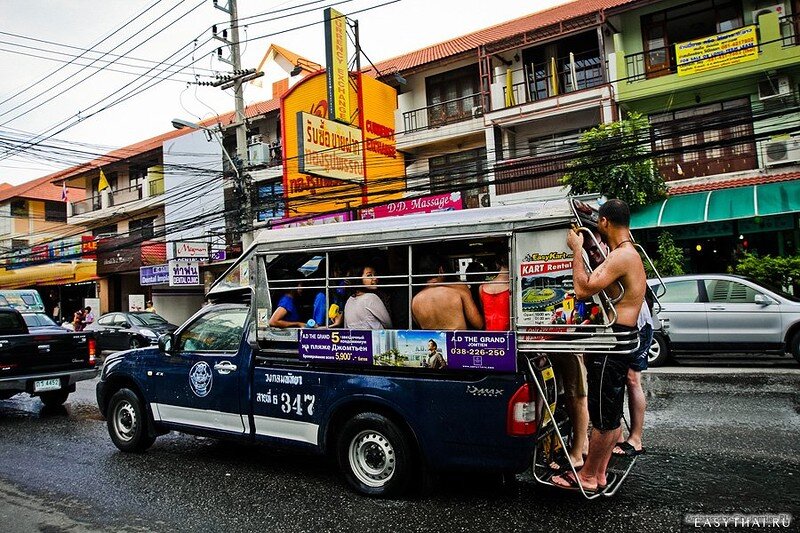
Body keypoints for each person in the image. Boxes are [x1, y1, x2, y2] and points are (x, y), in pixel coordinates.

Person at [551, 199, 646, 493]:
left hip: (613, 343)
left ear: (604, 222)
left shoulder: (622, 257)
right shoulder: (629, 253)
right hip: (621, 338)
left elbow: (582, 288)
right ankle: (600, 473)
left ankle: (589, 475)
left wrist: (576, 249)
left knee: (604, 418)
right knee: (610, 413)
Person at [612, 296, 655, 458]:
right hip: (626, 323)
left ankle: (636, 439)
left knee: (632, 378)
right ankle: (617, 435)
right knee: (615, 377)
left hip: (638, 326)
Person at [411, 255, 484, 330]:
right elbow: (478, 324)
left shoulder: (415, 300)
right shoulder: (459, 289)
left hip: (432, 341)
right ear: (441, 270)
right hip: (457, 340)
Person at [344, 265, 392, 330]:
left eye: (375, 275)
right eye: (369, 275)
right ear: (358, 278)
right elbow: (388, 324)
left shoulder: (349, 300)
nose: (375, 278)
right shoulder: (371, 298)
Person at [479, 252, 510, 331]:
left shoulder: (482, 288)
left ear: (497, 264)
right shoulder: (513, 286)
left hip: (490, 336)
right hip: (509, 336)